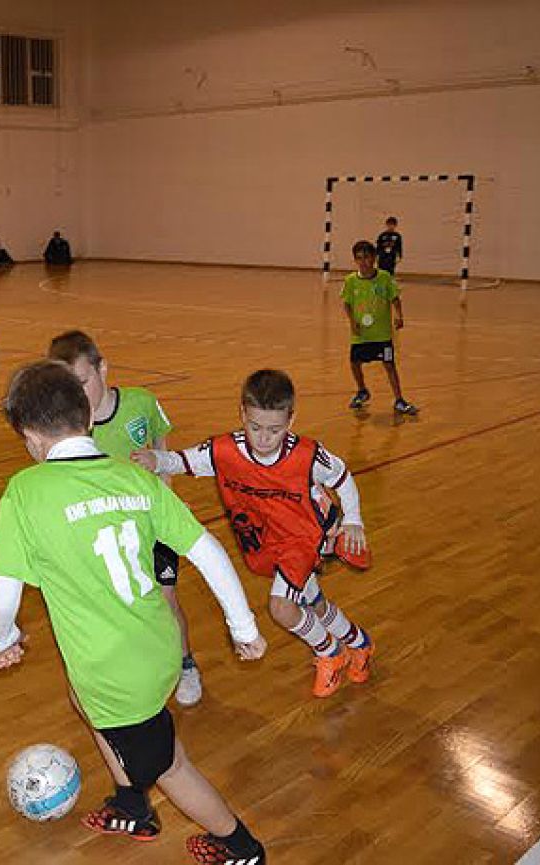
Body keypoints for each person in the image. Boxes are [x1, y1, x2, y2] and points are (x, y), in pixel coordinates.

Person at [0, 360, 269, 865]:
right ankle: (132, 802)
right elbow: (207, 551)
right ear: (89, 419)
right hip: (157, 649)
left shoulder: (26, 493)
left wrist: (3, 640)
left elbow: (0, 593)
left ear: (30, 438)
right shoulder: (134, 479)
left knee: (171, 765)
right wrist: (242, 626)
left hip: (113, 673)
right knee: (82, 696)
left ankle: (238, 845)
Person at [134, 369, 376, 700]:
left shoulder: (307, 456)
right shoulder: (224, 451)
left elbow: (343, 477)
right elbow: (183, 461)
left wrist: (354, 520)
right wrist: (155, 459)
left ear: (291, 420)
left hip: (305, 539)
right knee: (312, 603)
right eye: (254, 427)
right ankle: (360, 644)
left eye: (274, 430)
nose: (263, 438)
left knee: (281, 607)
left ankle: (330, 651)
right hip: (267, 542)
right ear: (241, 415)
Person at [48, 330, 203, 706]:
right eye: (69, 386)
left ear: (103, 368)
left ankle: (185, 664)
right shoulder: (69, 428)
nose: (77, 394)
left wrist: (165, 493)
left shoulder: (141, 404)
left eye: (83, 382)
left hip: (152, 525)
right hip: (106, 533)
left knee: (166, 599)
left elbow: (162, 446)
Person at [343, 240, 418, 414]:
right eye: (359, 258)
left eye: (367, 257)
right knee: (354, 363)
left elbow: (395, 298)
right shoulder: (350, 281)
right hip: (361, 334)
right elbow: (346, 303)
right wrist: (352, 321)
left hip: (382, 335)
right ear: (355, 260)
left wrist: (399, 315)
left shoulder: (384, 278)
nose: (363, 262)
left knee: (389, 365)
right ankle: (362, 390)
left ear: (374, 258)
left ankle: (399, 400)